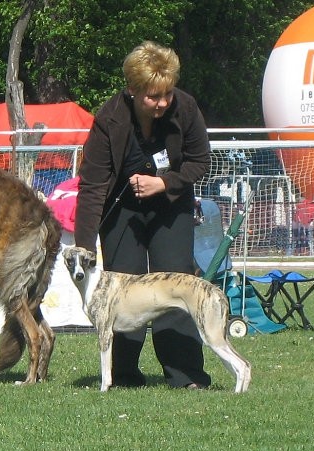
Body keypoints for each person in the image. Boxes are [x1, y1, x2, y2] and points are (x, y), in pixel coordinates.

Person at [74, 41, 212, 389]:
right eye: (153, 96)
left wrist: (164, 183)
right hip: (122, 211)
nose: (163, 102)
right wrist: (83, 246)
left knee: (175, 283)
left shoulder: (186, 108)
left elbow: (200, 162)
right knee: (121, 287)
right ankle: (122, 376)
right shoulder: (109, 119)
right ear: (132, 90)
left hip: (171, 205)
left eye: (166, 93)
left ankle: (186, 375)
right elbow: (92, 186)